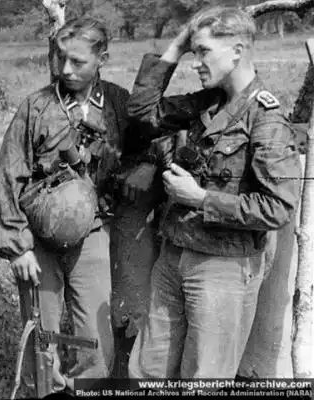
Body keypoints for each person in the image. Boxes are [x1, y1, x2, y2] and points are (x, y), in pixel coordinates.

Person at [126, 6, 301, 379]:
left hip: (223, 267)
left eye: (203, 51)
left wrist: (200, 199)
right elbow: (142, 112)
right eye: (193, 52)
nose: (195, 63)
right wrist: (178, 44)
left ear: (237, 51)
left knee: (203, 378)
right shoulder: (207, 102)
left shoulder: (266, 117)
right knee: (148, 372)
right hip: (174, 255)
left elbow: (278, 207)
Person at [0, 17, 153, 394]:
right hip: (37, 239)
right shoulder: (37, 106)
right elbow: (8, 176)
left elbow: (147, 146)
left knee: (95, 335)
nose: (65, 69)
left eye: (77, 61)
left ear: (102, 59)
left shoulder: (117, 103)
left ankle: (87, 388)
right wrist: (17, 247)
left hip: (93, 233)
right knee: (40, 335)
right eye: (61, 59)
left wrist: (144, 165)